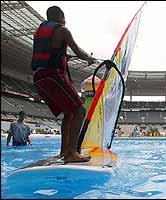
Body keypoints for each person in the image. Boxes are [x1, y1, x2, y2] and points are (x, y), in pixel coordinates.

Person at [31, 6, 95, 163]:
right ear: (60, 16)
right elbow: (78, 50)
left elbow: (50, 51)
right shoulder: (62, 30)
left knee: (69, 112)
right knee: (80, 110)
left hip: (38, 77)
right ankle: (72, 153)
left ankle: (64, 152)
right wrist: (89, 59)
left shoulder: (38, 32)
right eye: (64, 17)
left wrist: (64, 56)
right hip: (52, 75)